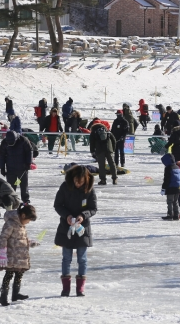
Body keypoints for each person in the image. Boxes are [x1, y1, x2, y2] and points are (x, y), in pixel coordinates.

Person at [55, 165, 97, 297]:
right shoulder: (65, 187)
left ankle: (80, 289)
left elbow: (93, 208)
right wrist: (67, 216)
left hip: (82, 229)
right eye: (76, 181)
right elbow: (57, 205)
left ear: (86, 179)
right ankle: (66, 288)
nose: (78, 184)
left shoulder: (89, 189)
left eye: (81, 181)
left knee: (82, 259)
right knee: (66, 258)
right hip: (66, 227)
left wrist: (83, 216)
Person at [0, 203, 38, 306]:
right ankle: (3, 296)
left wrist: (30, 242)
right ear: (23, 216)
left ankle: (15, 294)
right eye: (28, 220)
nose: (28, 222)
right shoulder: (10, 223)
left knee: (19, 274)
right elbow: (3, 237)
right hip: (10, 255)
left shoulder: (21, 225)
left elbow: (22, 238)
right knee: (9, 275)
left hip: (20, 256)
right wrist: (2, 252)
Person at [0, 131, 34, 203]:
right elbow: (2, 155)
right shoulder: (4, 142)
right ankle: (11, 199)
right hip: (10, 168)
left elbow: (29, 150)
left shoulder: (23, 140)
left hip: (22, 167)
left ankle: (25, 199)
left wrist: (28, 163)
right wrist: (2, 167)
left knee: (24, 185)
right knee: (11, 186)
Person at [90, 120, 118, 185]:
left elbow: (92, 143)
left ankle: (103, 180)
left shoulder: (93, 132)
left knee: (101, 165)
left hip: (100, 150)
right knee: (112, 164)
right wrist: (112, 149)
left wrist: (92, 152)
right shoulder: (107, 131)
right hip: (109, 149)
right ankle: (114, 179)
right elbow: (114, 140)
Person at [161, 153, 180, 220]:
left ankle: (170, 215)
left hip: (170, 187)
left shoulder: (168, 168)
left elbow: (167, 179)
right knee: (175, 202)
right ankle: (176, 215)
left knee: (170, 201)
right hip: (178, 187)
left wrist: (163, 188)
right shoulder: (177, 167)